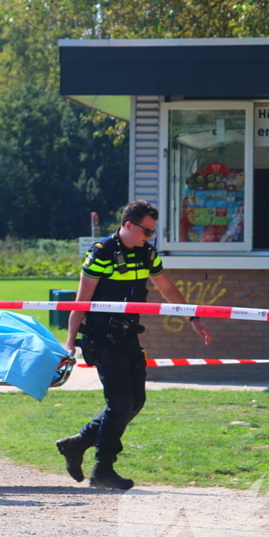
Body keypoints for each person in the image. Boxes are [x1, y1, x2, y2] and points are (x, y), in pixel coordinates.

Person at [57, 200, 212, 490]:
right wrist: (69, 343)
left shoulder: (147, 254)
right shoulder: (102, 253)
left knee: (136, 401)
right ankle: (103, 469)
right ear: (128, 225)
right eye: (146, 231)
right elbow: (80, 301)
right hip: (102, 336)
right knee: (120, 403)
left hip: (129, 336)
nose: (149, 237)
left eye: (153, 232)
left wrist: (194, 318)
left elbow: (167, 288)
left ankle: (78, 443)